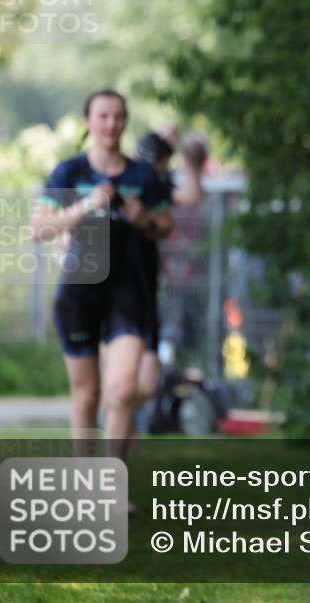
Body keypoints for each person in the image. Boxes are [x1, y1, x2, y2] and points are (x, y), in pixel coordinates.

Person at [29, 89, 172, 460]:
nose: (111, 124)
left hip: (128, 293)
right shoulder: (69, 172)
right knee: (87, 395)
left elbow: (164, 225)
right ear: (89, 122)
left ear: (125, 122)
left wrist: (144, 219)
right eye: (103, 116)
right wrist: (85, 206)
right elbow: (38, 230)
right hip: (79, 293)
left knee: (122, 390)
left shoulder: (143, 176)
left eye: (118, 116)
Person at [128, 128, 206, 429]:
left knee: (145, 383)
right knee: (119, 382)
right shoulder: (124, 181)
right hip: (116, 292)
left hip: (147, 290)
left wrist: (191, 161)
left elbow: (191, 194)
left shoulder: (155, 184)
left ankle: (121, 422)